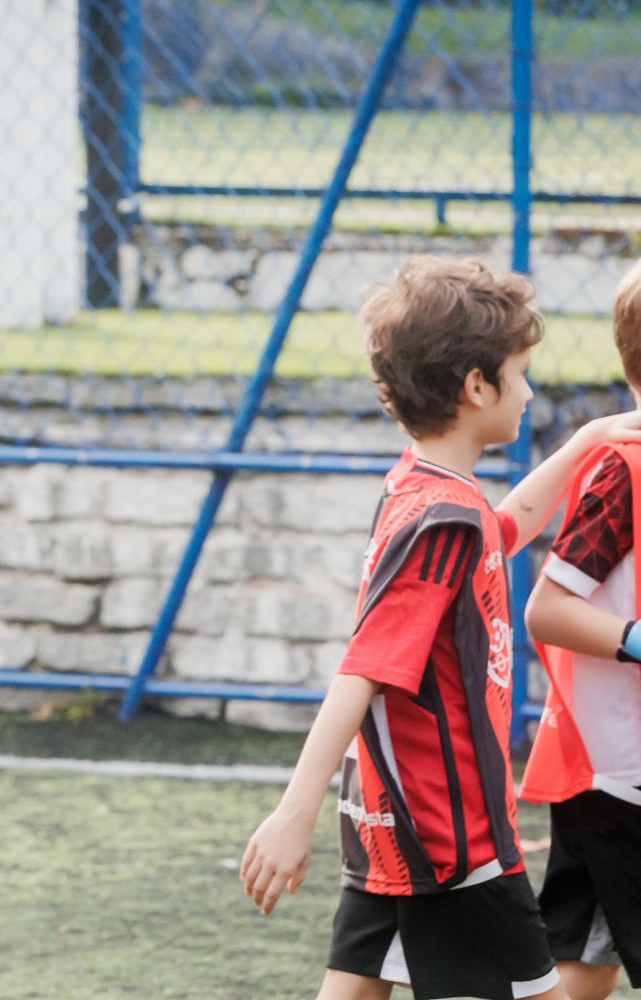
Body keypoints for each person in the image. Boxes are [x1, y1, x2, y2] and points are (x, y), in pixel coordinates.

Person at [238, 256, 641, 1000]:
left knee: (354, 990)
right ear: (477, 387)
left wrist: (583, 442)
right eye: (520, 374)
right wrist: (292, 813)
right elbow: (361, 670)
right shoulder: (442, 524)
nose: (529, 391)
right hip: (453, 834)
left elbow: (505, 528)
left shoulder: (423, 492)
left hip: (385, 818)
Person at [520, 258, 641, 1000]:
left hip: (614, 779)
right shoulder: (623, 470)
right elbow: (548, 610)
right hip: (616, 777)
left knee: (581, 966)